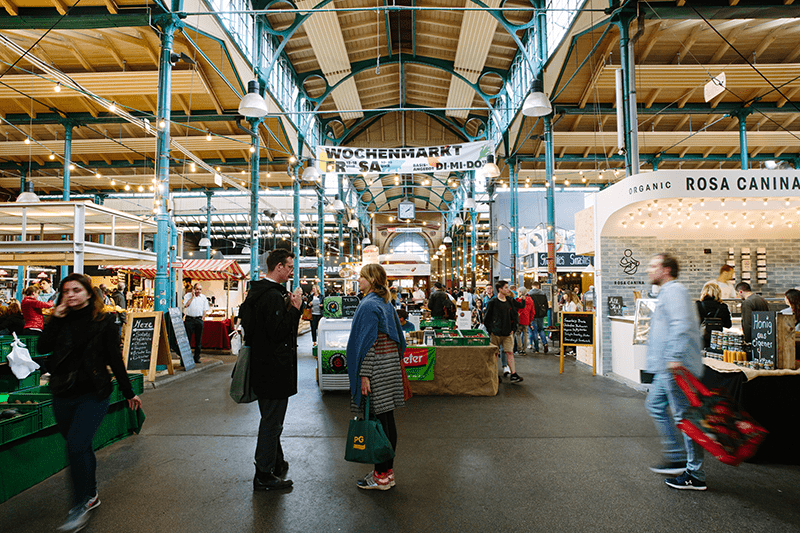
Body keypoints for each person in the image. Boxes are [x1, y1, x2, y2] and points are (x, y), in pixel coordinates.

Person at [39, 273, 142, 532]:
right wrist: (54, 319)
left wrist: (129, 392)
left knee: (75, 446)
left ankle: (79, 504)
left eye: (76, 290)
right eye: (66, 291)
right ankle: (92, 493)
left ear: (88, 293)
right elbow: (42, 347)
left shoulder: (104, 321)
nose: (70, 295)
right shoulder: (59, 320)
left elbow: (114, 359)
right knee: (79, 446)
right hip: (63, 391)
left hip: (94, 393)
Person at [239, 249, 302, 491]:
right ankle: (263, 475)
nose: (291, 271)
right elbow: (279, 333)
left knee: (270, 417)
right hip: (275, 369)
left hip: (261, 366)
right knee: (272, 422)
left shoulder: (255, 293)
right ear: (278, 267)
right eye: (289, 267)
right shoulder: (272, 297)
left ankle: (276, 462)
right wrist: (295, 309)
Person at [644, 253, 706, 491]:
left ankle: (695, 473)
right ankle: (676, 454)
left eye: (653, 266)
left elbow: (681, 324)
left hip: (676, 366)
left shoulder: (675, 291)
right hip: (666, 367)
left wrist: (673, 356)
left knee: (685, 417)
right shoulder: (666, 293)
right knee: (655, 405)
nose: (649, 270)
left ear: (666, 270)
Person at [346, 263, 407, 491]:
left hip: (376, 371)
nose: (358, 280)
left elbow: (368, 344)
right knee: (386, 422)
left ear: (371, 280)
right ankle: (386, 473)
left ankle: (381, 476)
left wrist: (364, 376)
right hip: (389, 368)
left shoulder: (369, 305)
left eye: (361, 277)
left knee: (378, 424)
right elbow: (397, 340)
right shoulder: (385, 303)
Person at [484, 280, 524, 383]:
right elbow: (486, 318)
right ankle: (495, 374)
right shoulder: (492, 302)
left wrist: (513, 329)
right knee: (495, 354)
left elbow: (517, 311)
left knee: (510, 352)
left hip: (507, 332)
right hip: (496, 333)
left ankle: (513, 374)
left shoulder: (510, 300)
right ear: (500, 290)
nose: (508, 289)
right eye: (505, 287)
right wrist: (491, 331)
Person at [696, 282, 732, 348]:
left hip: (700, 341)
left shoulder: (698, 305)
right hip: (717, 341)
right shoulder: (723, 306)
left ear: (703, 292)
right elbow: (728, 325)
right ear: (718, 293)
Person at [183, 283, 210, 364]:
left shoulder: (203, 297)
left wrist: (203, 317)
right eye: (197, 289)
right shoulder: (187, 295)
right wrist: (192, 296)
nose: (198, 291)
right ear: (193, 289)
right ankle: (186, 358)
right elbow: (186, 305)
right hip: (189, 319)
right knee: (187, 339)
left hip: (198, 319)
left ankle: (197, 357)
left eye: (200, 289)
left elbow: (205, 308)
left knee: (198, 340)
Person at [529, 281, 550, 353]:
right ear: (538, 286)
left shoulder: (529, 294)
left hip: (533, 315)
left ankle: (536, 348)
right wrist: (544, 313)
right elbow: (546, 305)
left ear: (532, 286)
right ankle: (545, 343)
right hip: (541, 315)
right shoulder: (543, 294)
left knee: (534, 331)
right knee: (541, 330)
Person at [515, 288, 534, 354]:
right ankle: (524, 349)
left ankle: (519, 349)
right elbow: (533, 312)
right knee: (525, 334)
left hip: (519, 319)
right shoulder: (531, 300)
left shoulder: (519, 300)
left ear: (520, 292)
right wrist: (530, 320)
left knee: (518, 334)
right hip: (526, 320)